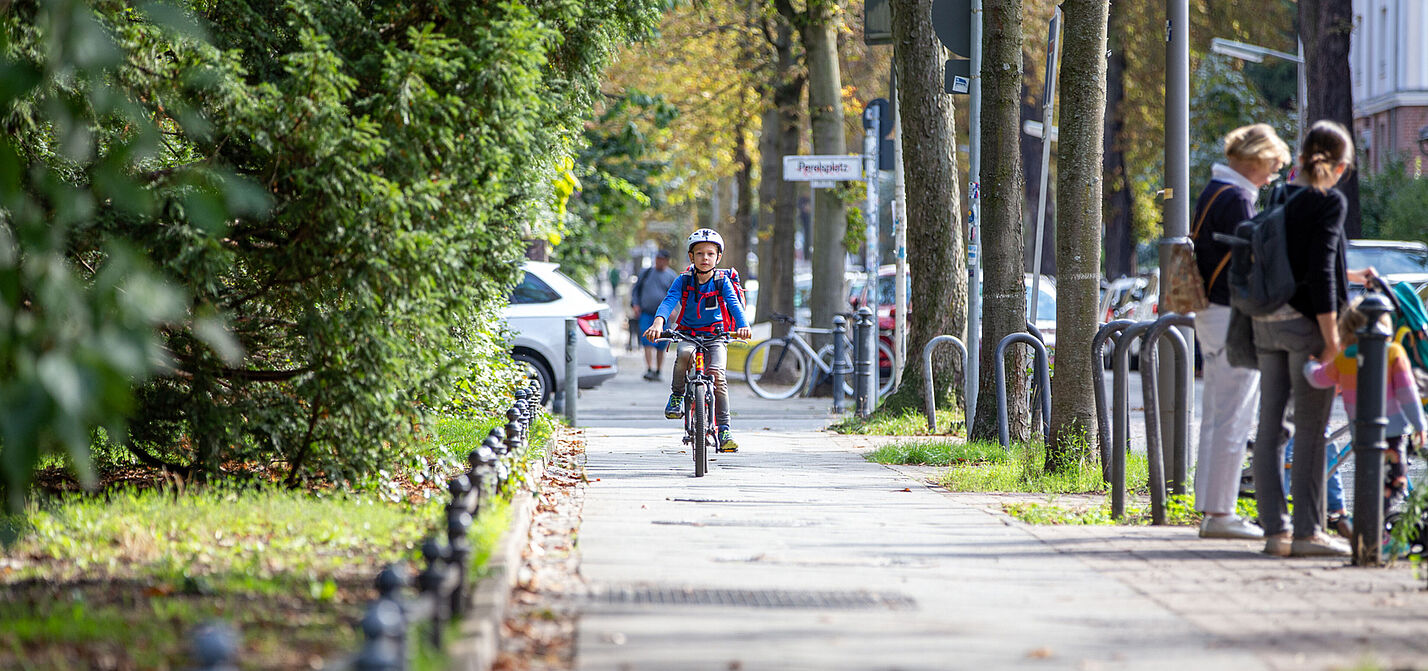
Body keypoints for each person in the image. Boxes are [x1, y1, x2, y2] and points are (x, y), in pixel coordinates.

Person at [1250, 120, 1374, 557]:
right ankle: (1307, 532)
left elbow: (1297, 258)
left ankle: (1274, 532)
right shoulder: (1328, 203)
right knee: (1311, 429)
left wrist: (1353, 275)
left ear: (1301, 158)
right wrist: (1332, 340)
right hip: (1307, 327)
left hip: (1266, 323)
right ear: (1339, 166)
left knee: (1269, 428)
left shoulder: (1279, 193)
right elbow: (1320, 272)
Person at [1189, 123, 1291, 540]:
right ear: (1253, 160)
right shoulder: (1236, 199)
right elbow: (1250, 262)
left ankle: (1210, 508)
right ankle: (1221, 512)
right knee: (1234, 416)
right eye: (1270, 166)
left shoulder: (1215, 190)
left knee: (1216, 413)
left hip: (1209, 312)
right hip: (1230, 315)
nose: (1271, 177)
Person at [1303, 295, 1428, 514]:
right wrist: (1420, 425)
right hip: (1392, 432)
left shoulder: (1344, 358)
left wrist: (1309, 364)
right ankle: (1377, 530)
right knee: (1394, 484)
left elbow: (1319, 378)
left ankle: (1366, 528)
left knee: (1367, 483)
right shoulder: (1392, 353)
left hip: (1360, 433)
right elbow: (1408, 394)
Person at [642, 228, 751, 452]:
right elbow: (669, 300)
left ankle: (724, 429)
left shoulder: (722, 281)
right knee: (683, 354)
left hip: (716, 336)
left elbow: (733, 304)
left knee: (718, 376)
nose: (705, 258)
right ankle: (676, 395)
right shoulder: (683, 280)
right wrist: (658, 323)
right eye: (699, 253)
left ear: (718, 257)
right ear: (691, 257)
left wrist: (743, 325)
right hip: (688, 333)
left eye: (710, 254)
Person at [631, 250, 678, 380]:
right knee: (647, 341)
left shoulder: (671, 276)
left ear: (667, 261)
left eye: (662, 259)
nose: (659, 261)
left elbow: (675, 295)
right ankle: (649, 368)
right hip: (646, 312)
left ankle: (658, 370)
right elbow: (635, 291)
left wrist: (674, 309)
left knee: (661, 343)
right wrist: (635, 304)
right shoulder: (646, 273)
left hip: (664, 316)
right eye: (658, 258)